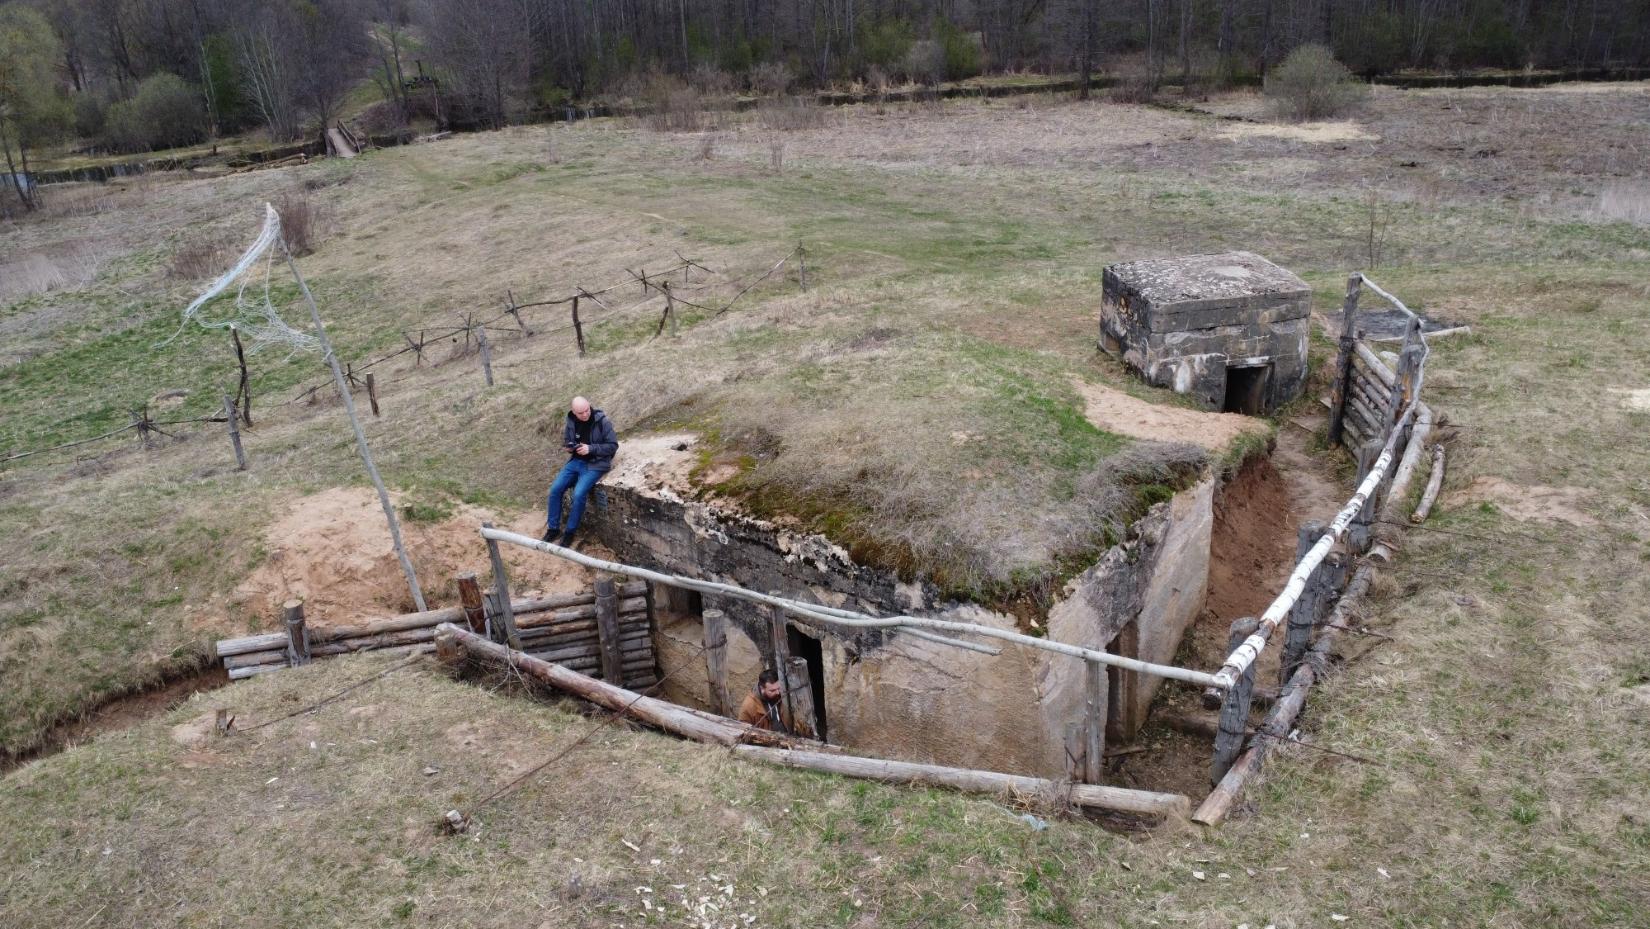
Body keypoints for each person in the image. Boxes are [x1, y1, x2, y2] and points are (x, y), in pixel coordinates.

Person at [543, 396, 618, 547]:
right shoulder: (571, 421)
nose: (585, 415)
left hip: (595, 464)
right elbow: (567, 440)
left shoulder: (603, 421)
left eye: (586, 410)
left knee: (578, 493)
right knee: (555, 489)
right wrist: (569, 447)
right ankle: (553, 529)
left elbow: (612, 446)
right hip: (575, 461)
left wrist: (591, 448)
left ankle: (570, 532)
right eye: (580, 413)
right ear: (574, 412)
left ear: (589, 406)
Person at [737, 668, 791, 733]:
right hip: (766, 740)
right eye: (772, 690)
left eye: (778, 688)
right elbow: (742, 731)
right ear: (762, 688)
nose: (777, 692)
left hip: (788, 737)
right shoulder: (748, 706)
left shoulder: (783, 694)